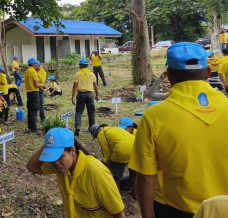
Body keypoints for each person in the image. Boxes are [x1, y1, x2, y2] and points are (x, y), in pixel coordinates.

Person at [129, 42, 228, 218]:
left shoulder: (154, 116)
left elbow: (145, 176)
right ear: (207, 73)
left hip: (176, 210)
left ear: (170, 77)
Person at [26, 127, 126, 218]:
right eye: (52, 157)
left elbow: (118, 212)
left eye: (60, 156)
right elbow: (31, 167)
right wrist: (50, 143)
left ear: (72, 150)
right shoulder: (60, 167)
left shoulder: (95, 171)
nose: (56, 162)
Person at [89, 124, 135, 193]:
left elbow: (108, 155)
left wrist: (103, 161)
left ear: (95, 134)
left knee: (114, 172)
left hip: (122, 150)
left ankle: (116, 193)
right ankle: (135, 195)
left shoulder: (100, 135)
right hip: (135, 146)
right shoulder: (112, 128)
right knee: (134, 172)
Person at [71, 58, 98, 136]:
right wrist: (97, 95)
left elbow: (75, 86)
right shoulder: (92, 74)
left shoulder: (78, 74)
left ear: (81, 66)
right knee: (91, 112)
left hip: (81, 95)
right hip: (90, 95)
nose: (79, 66)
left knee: (79, 111)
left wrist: (73, 97)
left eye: (79, 65)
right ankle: (92, 128)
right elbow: (95, 86)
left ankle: (78, 127)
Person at [25, 58, 46, 133]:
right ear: (33, 64)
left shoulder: (26, 71)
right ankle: (33, 128)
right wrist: (43, 86)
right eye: (35, 64)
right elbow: (36, 85)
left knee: (30, 110)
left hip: (28, 93)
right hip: (34, 93)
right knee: (34, 110)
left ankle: (30, 127)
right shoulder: (33, 72)